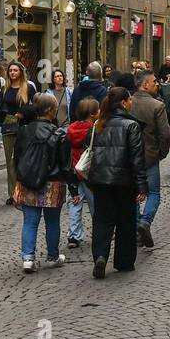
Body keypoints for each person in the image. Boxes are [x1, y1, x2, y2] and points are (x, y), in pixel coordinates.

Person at [84, 88, 147, 278]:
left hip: (101, 180)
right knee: (125, 222)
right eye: (129, 100)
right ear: (123, 103)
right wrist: (142, 185)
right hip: (123, 182)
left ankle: (101, 256)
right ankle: (124, 261)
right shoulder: (131, 126)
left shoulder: (97, 125)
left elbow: (89, 148)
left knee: (102, 220)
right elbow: (137, 159)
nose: (131, 103)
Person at [13, 93, 77, 273]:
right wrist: (74, 189)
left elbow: (17, 157)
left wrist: (19, 177)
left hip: (29, 180)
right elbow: (66, 165)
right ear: (50, 111)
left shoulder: (24, 130)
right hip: (53, 182)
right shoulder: (59, 134)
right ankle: (52, 256)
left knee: (30, 221)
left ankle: (28, 258)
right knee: (52, 221)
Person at [0, 61, 35, 203]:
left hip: (25, 127)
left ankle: (26, 190)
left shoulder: (28, 88)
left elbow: (35, 107)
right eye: (10, 70)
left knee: (23, 160)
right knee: (10, 161)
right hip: (8, 126)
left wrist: (23, 113)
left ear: (21, 72)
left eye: (15, 70)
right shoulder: (6, 89)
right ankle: (13, 193)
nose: (12, 73)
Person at [130, 71, 170, 249]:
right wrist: (162, 152)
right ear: (145, 84)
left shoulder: (126, 103)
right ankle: (145, 222)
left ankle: (137, 226)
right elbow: (165, 134)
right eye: (154, 82)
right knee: (153, 193)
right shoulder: (157, 106)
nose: (157, 84)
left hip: (130, 157)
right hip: (149, 156)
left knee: (133, 193)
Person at [65, 98, 99, 249]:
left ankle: (74, 235)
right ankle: (99, 231)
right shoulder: (93, 130)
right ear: (92, 114)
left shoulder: (70, 129)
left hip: (74, 170)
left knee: (75, 202)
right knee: (95, 204)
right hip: (88, 171)